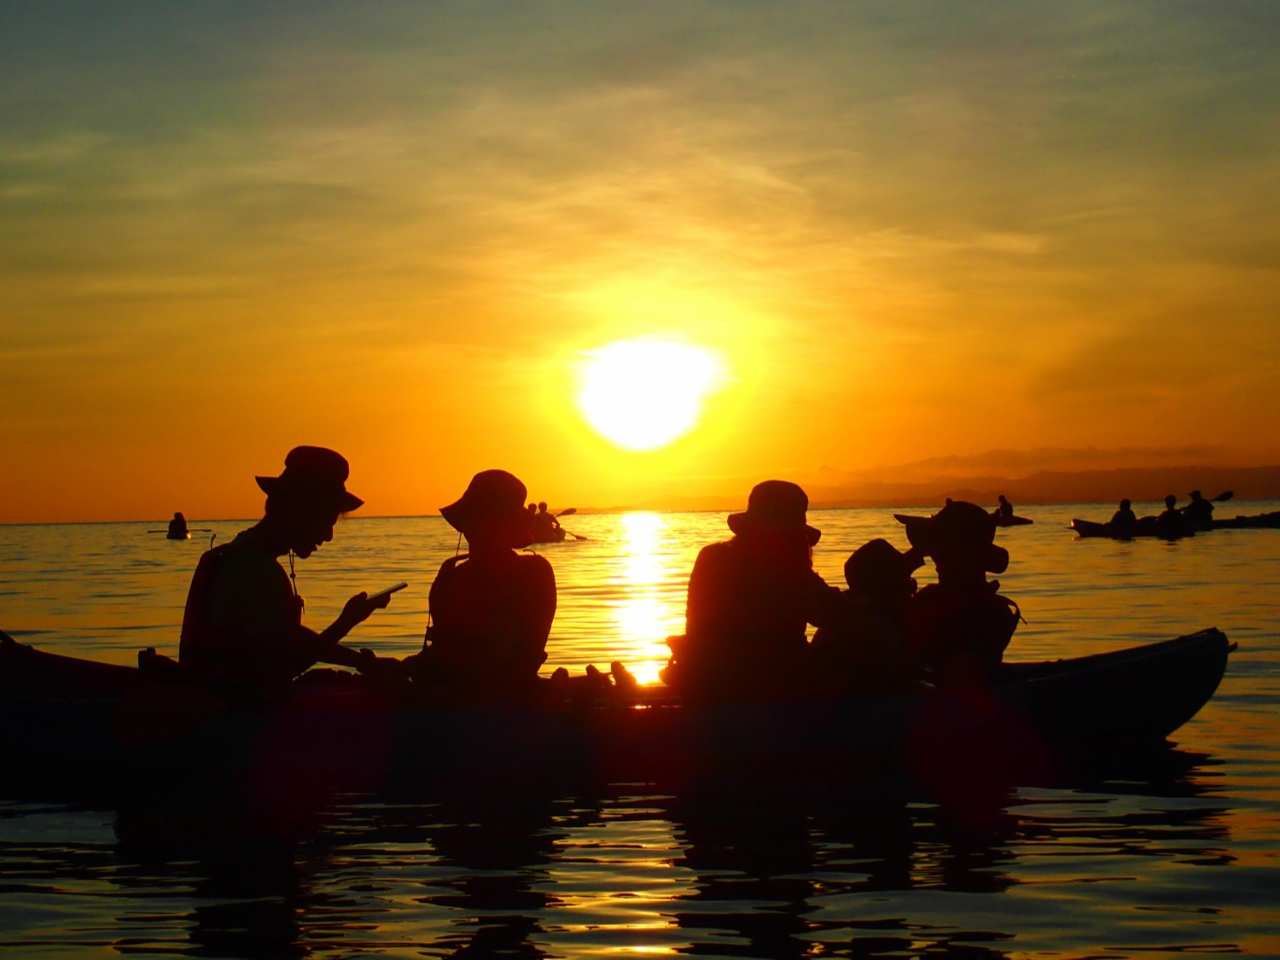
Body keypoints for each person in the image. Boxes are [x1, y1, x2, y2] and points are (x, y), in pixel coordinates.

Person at [179, 446, 395, 702]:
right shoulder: (257, 570)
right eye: (326, 522)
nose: (328, 536)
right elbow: (282, 667)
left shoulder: (241, 551)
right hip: (235, 714)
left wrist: (363, 661)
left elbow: (283, 638)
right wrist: (347, 622)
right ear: (298, 512)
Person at [663, 480, 842, 701]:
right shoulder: (786, 570)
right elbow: (836, 613)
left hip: (704, 685)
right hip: (770, 690)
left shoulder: (711, 557)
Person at [412, 470, 555, 700]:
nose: (477, 526)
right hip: (446, 697)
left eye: (488, 519)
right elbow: (439, 652)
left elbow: (521, 658)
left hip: (507, 703)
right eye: (475, 517)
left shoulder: (533, 573)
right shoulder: (449, 577)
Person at [898, 501, 1020, 684]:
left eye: (941, 548)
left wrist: (901, 571)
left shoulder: (965, 610)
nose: (934, 556)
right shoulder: (995, 608)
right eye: (935, 548)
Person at [810, 538, 923, 696]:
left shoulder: (841, 620)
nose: (911, 594)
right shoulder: (869, 639)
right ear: (889, 593)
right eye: (908, 584)